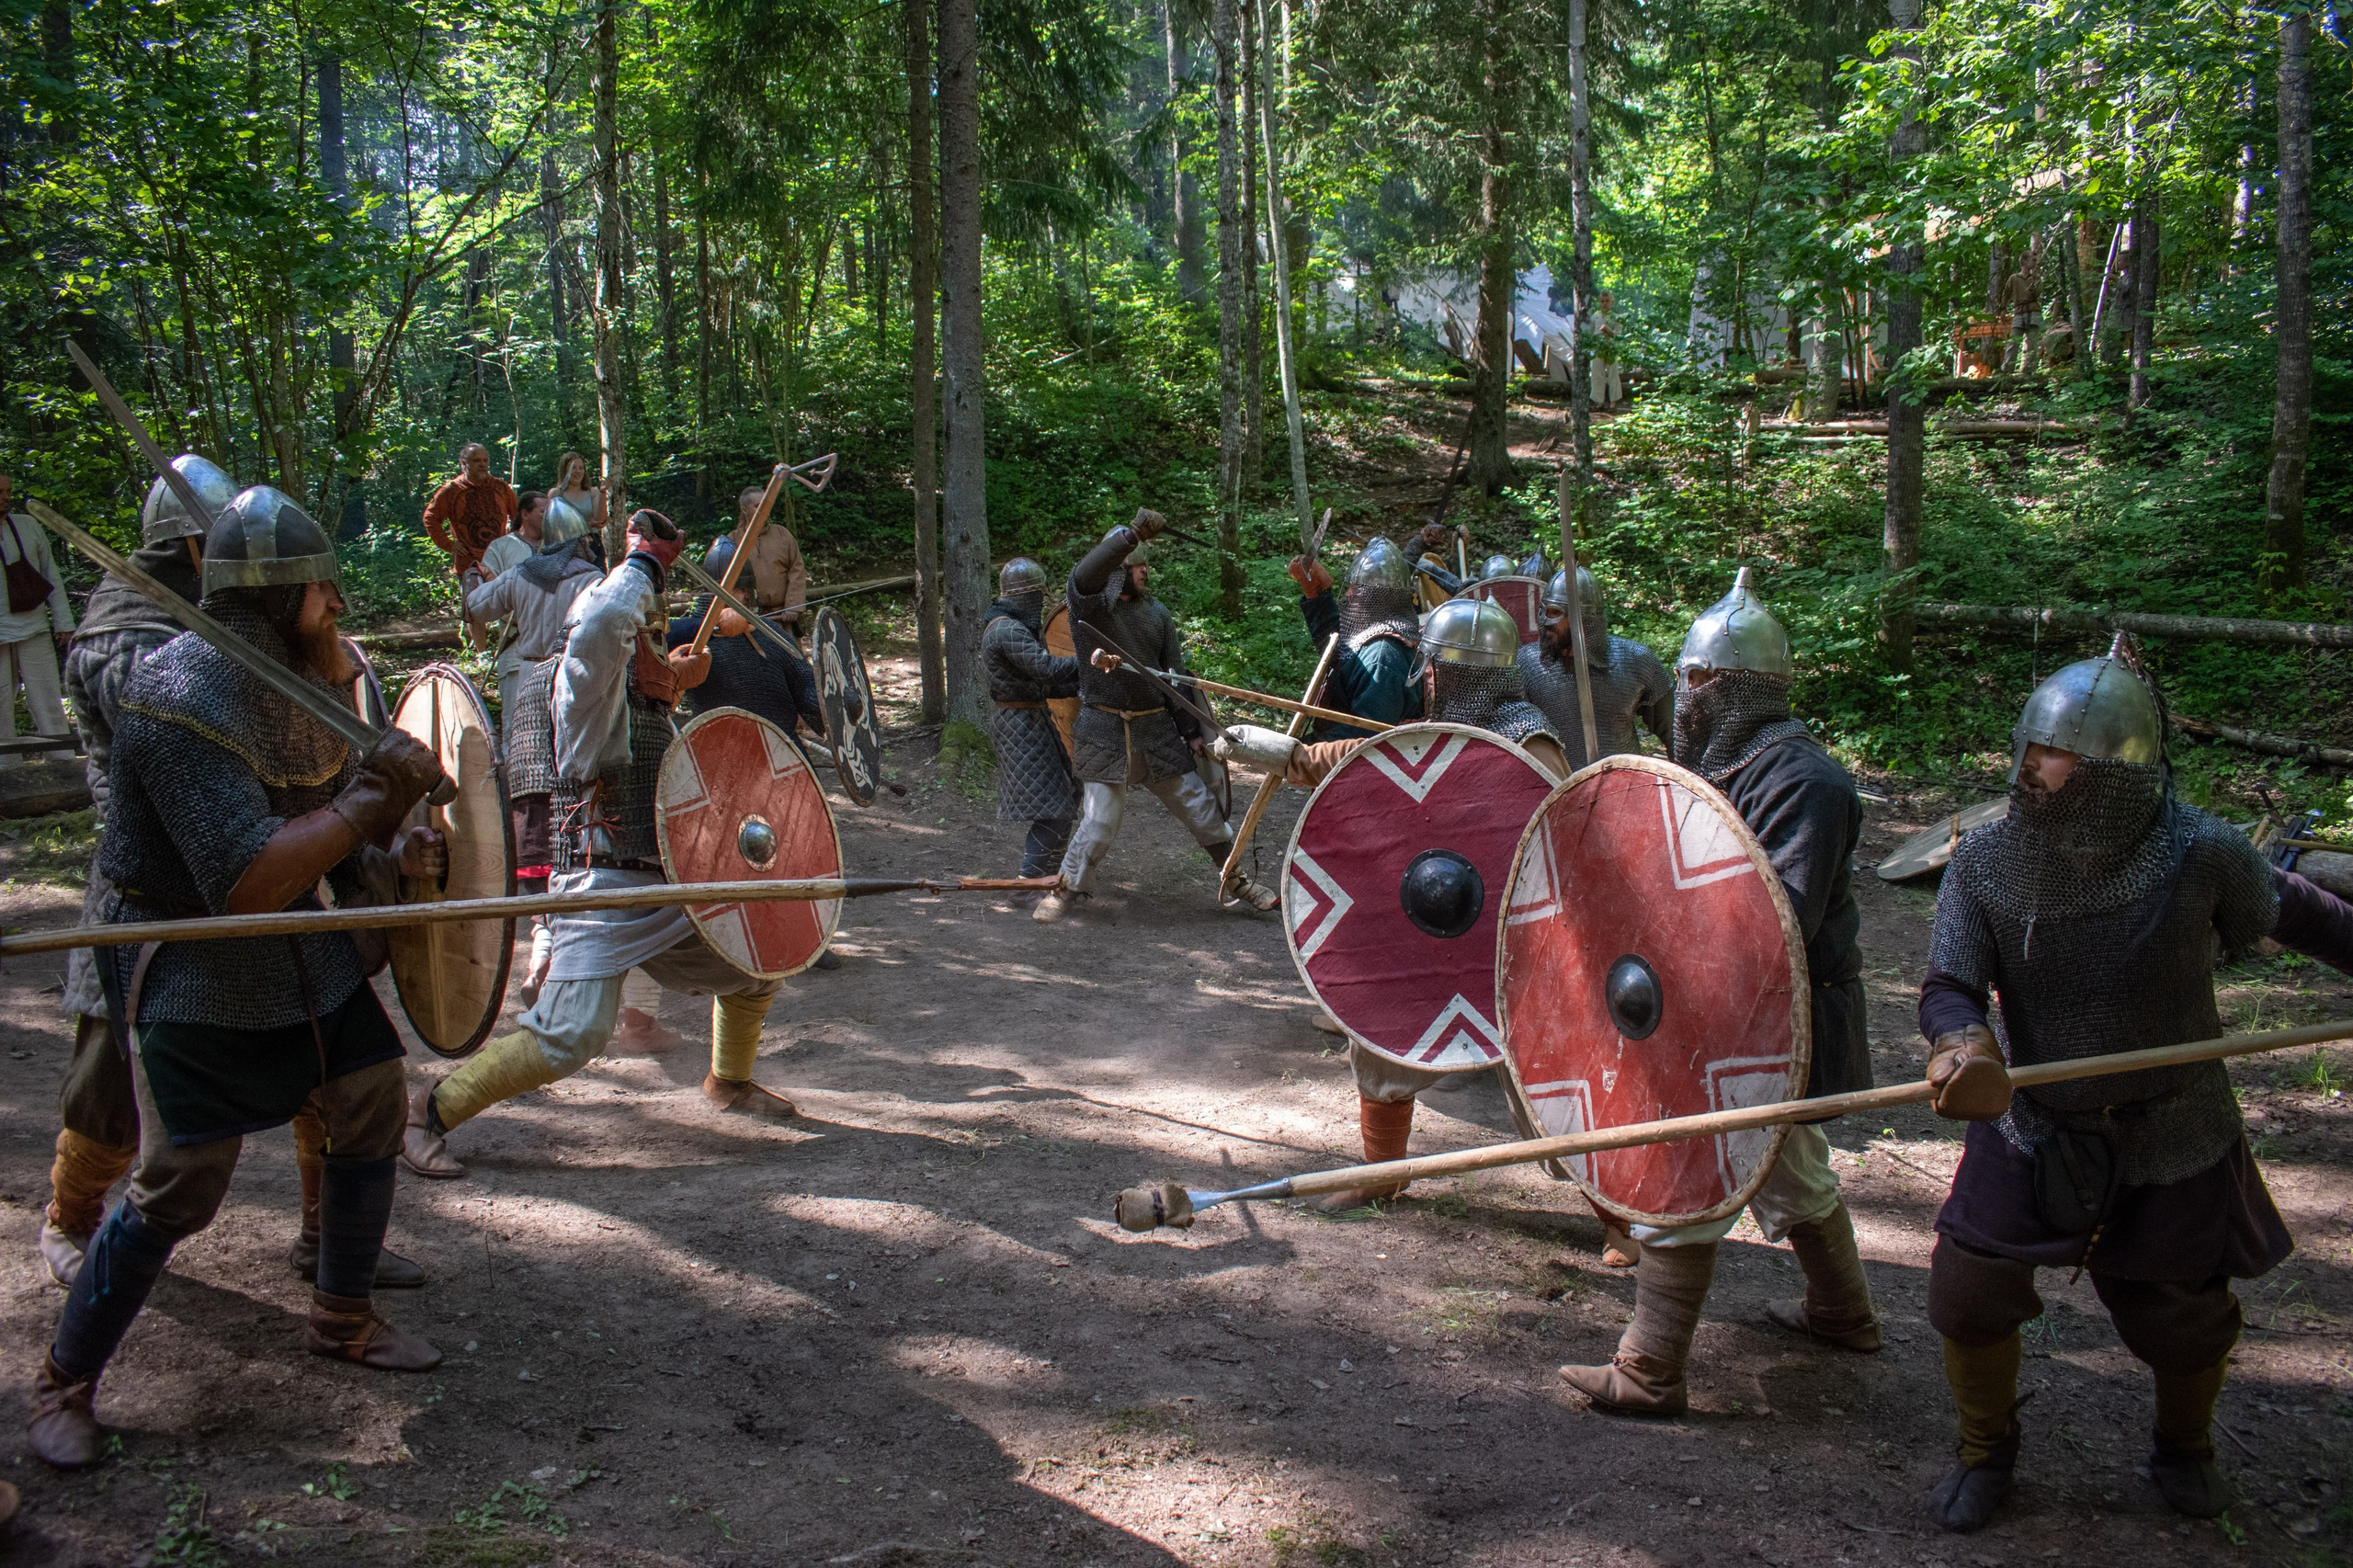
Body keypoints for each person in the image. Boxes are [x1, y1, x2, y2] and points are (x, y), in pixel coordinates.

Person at [27, 485, 450, 1470]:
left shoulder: (311, 682)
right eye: (323, 589)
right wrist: (366, 804)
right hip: (193, 949)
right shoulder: (177, 695)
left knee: (369, 1096)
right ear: (277, 596)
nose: (339, 606)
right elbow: (242, 874)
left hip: (292, 937)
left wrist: (400, 842)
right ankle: (61, 1380)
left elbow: (339, 842)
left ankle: (342, 1312)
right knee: (185, 1178)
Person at [1914, 636, 2353, 1531]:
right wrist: (1960, 1040)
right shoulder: (1986, 861)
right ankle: (1983, 1449)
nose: (2039, 771)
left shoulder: (2200, 852)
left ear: (2119, 773)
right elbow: (1949, 981)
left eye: (2060, 758)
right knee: (1969, 1287)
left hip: (2172, 1119)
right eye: (2031, 752)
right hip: (2031, 1115)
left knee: (2180, 1314)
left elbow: (2307, 915)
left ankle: (2182, 1446)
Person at [1555, 568, 1880, 1415]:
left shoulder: (1807, 782)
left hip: (1775, 1013)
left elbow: (1769, 925)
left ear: (1722, 686)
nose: (1683, 694)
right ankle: (1843, 1311)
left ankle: (1650, 1370)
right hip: (1722, 1011)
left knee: (1689, 1168)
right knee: (1793, 1171)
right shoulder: (1730, 764)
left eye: (1693, 680)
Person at [401, 510, 801, 1183]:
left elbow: (647, 690)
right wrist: (643, 562)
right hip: (601, 882)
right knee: (573, 1035)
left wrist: (677, 678)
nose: (647, 645)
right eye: (641, 637)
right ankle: (427, 1112)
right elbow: (601, 628)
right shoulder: (583, 683)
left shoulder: (630, 697)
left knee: (754, 962)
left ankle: (728, 1082)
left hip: (666, 879)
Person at [1211, 598, 1569, 1214]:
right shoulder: (1437, 735)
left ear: (1441, 671)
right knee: (1381, 1036)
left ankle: (1621, 1216)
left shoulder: (1529, 747)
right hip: (1435, 928)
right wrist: (1287, 756)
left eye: (1429, 668)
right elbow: (1372, 762)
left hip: (1519, 946)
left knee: (1551, 1074)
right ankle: (1383, 1173)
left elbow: (1563, 843)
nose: (1424, 678)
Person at [1033, 509, 1278, 924]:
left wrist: (1191, 732)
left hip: (1155, 729)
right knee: (1100, 823)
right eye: (1138, 564)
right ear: (1118, 570)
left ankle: (1235, 880)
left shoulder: (1157, 614)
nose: (1146, 571)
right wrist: (1128, 536)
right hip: (1104, 729)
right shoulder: (1088, 609)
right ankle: (1065, 888)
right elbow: (1083, 575)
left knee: (1202, 810)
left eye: (1147, 563)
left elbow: (1175, 678)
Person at [461, 495, 604, 899]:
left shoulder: (523, 573)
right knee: (573, 766)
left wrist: (472, 578)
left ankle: (533, 865)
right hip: (573, 679)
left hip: (529, 678)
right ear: (578, 539)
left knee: (530, 771)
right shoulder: (591, 579)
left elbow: (476, 606)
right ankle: (576, 855)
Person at [982, 558, 1084, 880]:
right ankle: (1029, 882)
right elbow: (1046, 669)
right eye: (1038, 595)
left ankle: (1045, 877)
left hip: (1031, 720)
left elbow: (1046, 682)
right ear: (1027, 595)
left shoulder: (1015, 627)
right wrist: (1089, 663)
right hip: (1019, 726)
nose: (1040, 602)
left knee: (1068, 792)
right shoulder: (1006, 630)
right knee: (1054, 805)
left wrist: (1083, 684)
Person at [667, 535, 823, 743]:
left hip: (780, 746)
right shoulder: (693, 637)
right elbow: (660, 637)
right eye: (738, 589)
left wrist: (829, 702)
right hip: (722, 750)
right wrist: (714, 627)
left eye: (743, 590)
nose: (743, 596)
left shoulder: (768, 631)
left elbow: (805, 686)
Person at [1517, 567, 1675, 770]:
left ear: (1583, 618)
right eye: (1544, 611)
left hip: (1622, 784)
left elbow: (1675, 733)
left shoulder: (1635, 660)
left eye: (1555, 612)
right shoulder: (1527, 664)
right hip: (1555, 788)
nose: (1545, 621)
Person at [1286, 538, 1424, 740]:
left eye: (1356, 589)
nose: (1348, 594)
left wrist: (1302, 750)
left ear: (1376, 598)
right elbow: (1339, 652)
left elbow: (1365, 738)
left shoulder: (1382, 658)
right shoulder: (1372, 636)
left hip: (1364, 762)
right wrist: (1317, 596)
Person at [0, 472, 77, 764]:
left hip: (34, 627)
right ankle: (6, 773)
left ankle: (64, 764)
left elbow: (50, 574)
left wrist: (64, 622)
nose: (6, 497)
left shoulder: (28, 525)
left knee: (47, 699)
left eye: (8, 491)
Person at [733, 483, 810, 631]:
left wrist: (793, 606)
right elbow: (728, 582)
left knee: (791, 654)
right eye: (757, 506)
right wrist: (741, 611)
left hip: (783, 617)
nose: (764, 509)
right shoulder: (733, 541)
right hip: (749, 621)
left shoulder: (783, 535)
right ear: (744, 510)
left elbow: (797, 571)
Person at [480, 490, 546, 581]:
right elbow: (489, 585)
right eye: (543, 511)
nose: (549, 515)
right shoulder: (499, 547)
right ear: (525, 514)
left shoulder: (555, 544)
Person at [550, 452, 608, 541]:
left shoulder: (593, 492)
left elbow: (600, 520)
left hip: (592, 542)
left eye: (581, 468)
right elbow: (552, 524)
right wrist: (587, 524)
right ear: (564, 470)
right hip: (565, 543)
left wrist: (603, 492)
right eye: (573, 468)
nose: (578, 471)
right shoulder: (556, 494)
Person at [1591, 290, 1625, 409]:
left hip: (1611, 348)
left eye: (1607, 301)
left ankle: (1613, 402)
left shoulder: (1616, 318)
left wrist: (1608, 331)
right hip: (1597, 349)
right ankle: (1598, 401)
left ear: (1612, 302)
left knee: (1613, 374)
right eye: (1602, 301)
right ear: (1599, 302)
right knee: (1597, 374)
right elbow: (1591, 333)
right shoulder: (1595, 317)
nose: (1604, 304)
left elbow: (1619, 335)